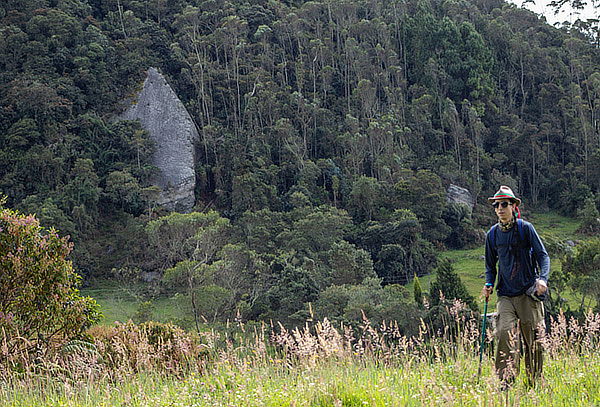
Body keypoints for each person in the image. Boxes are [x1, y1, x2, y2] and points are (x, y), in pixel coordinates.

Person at [482, 186, 550, 388]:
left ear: (513, 206)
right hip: (506, 296)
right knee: (504, 333)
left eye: (504, 204)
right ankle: (506, 383)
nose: (500, 209)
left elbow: (543, 256)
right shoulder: (492, 235)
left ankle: (534, 382)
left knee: (534, 341)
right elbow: (489, 266)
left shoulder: (525, 228)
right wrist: (488, 284)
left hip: (528, 293)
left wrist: (543, 280)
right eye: (496, 205)